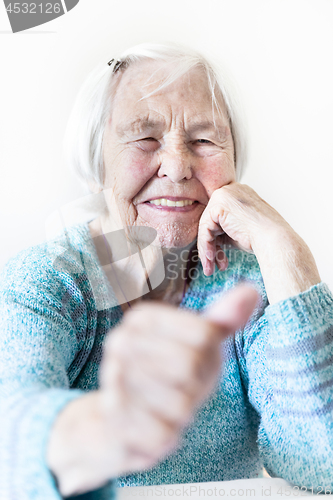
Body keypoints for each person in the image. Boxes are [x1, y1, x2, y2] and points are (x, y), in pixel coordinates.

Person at [0, 43, 332, 500]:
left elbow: (322, 466)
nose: (176, 167)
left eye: (204, 140)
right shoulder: (47, 282)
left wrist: (286, 252)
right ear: (98, 160)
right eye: (144, 137)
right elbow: (11, 429)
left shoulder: (253, 284)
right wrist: (110, 426)